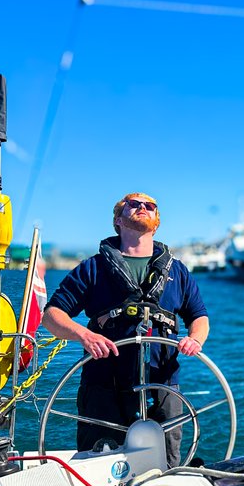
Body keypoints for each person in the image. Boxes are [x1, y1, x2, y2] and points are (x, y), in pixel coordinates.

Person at [43, 193, 209, 463]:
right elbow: (51, 315)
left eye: (150, 206)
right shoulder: (92, 269)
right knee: (97, 465)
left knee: (166, 464)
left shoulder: (177, 272)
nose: (142, 207)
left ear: (157, 223)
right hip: (103, 385)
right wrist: (84, 334)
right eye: (133, 204)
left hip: (163, 384)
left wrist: (195, 339)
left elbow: (199, 317)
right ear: (118, 220)